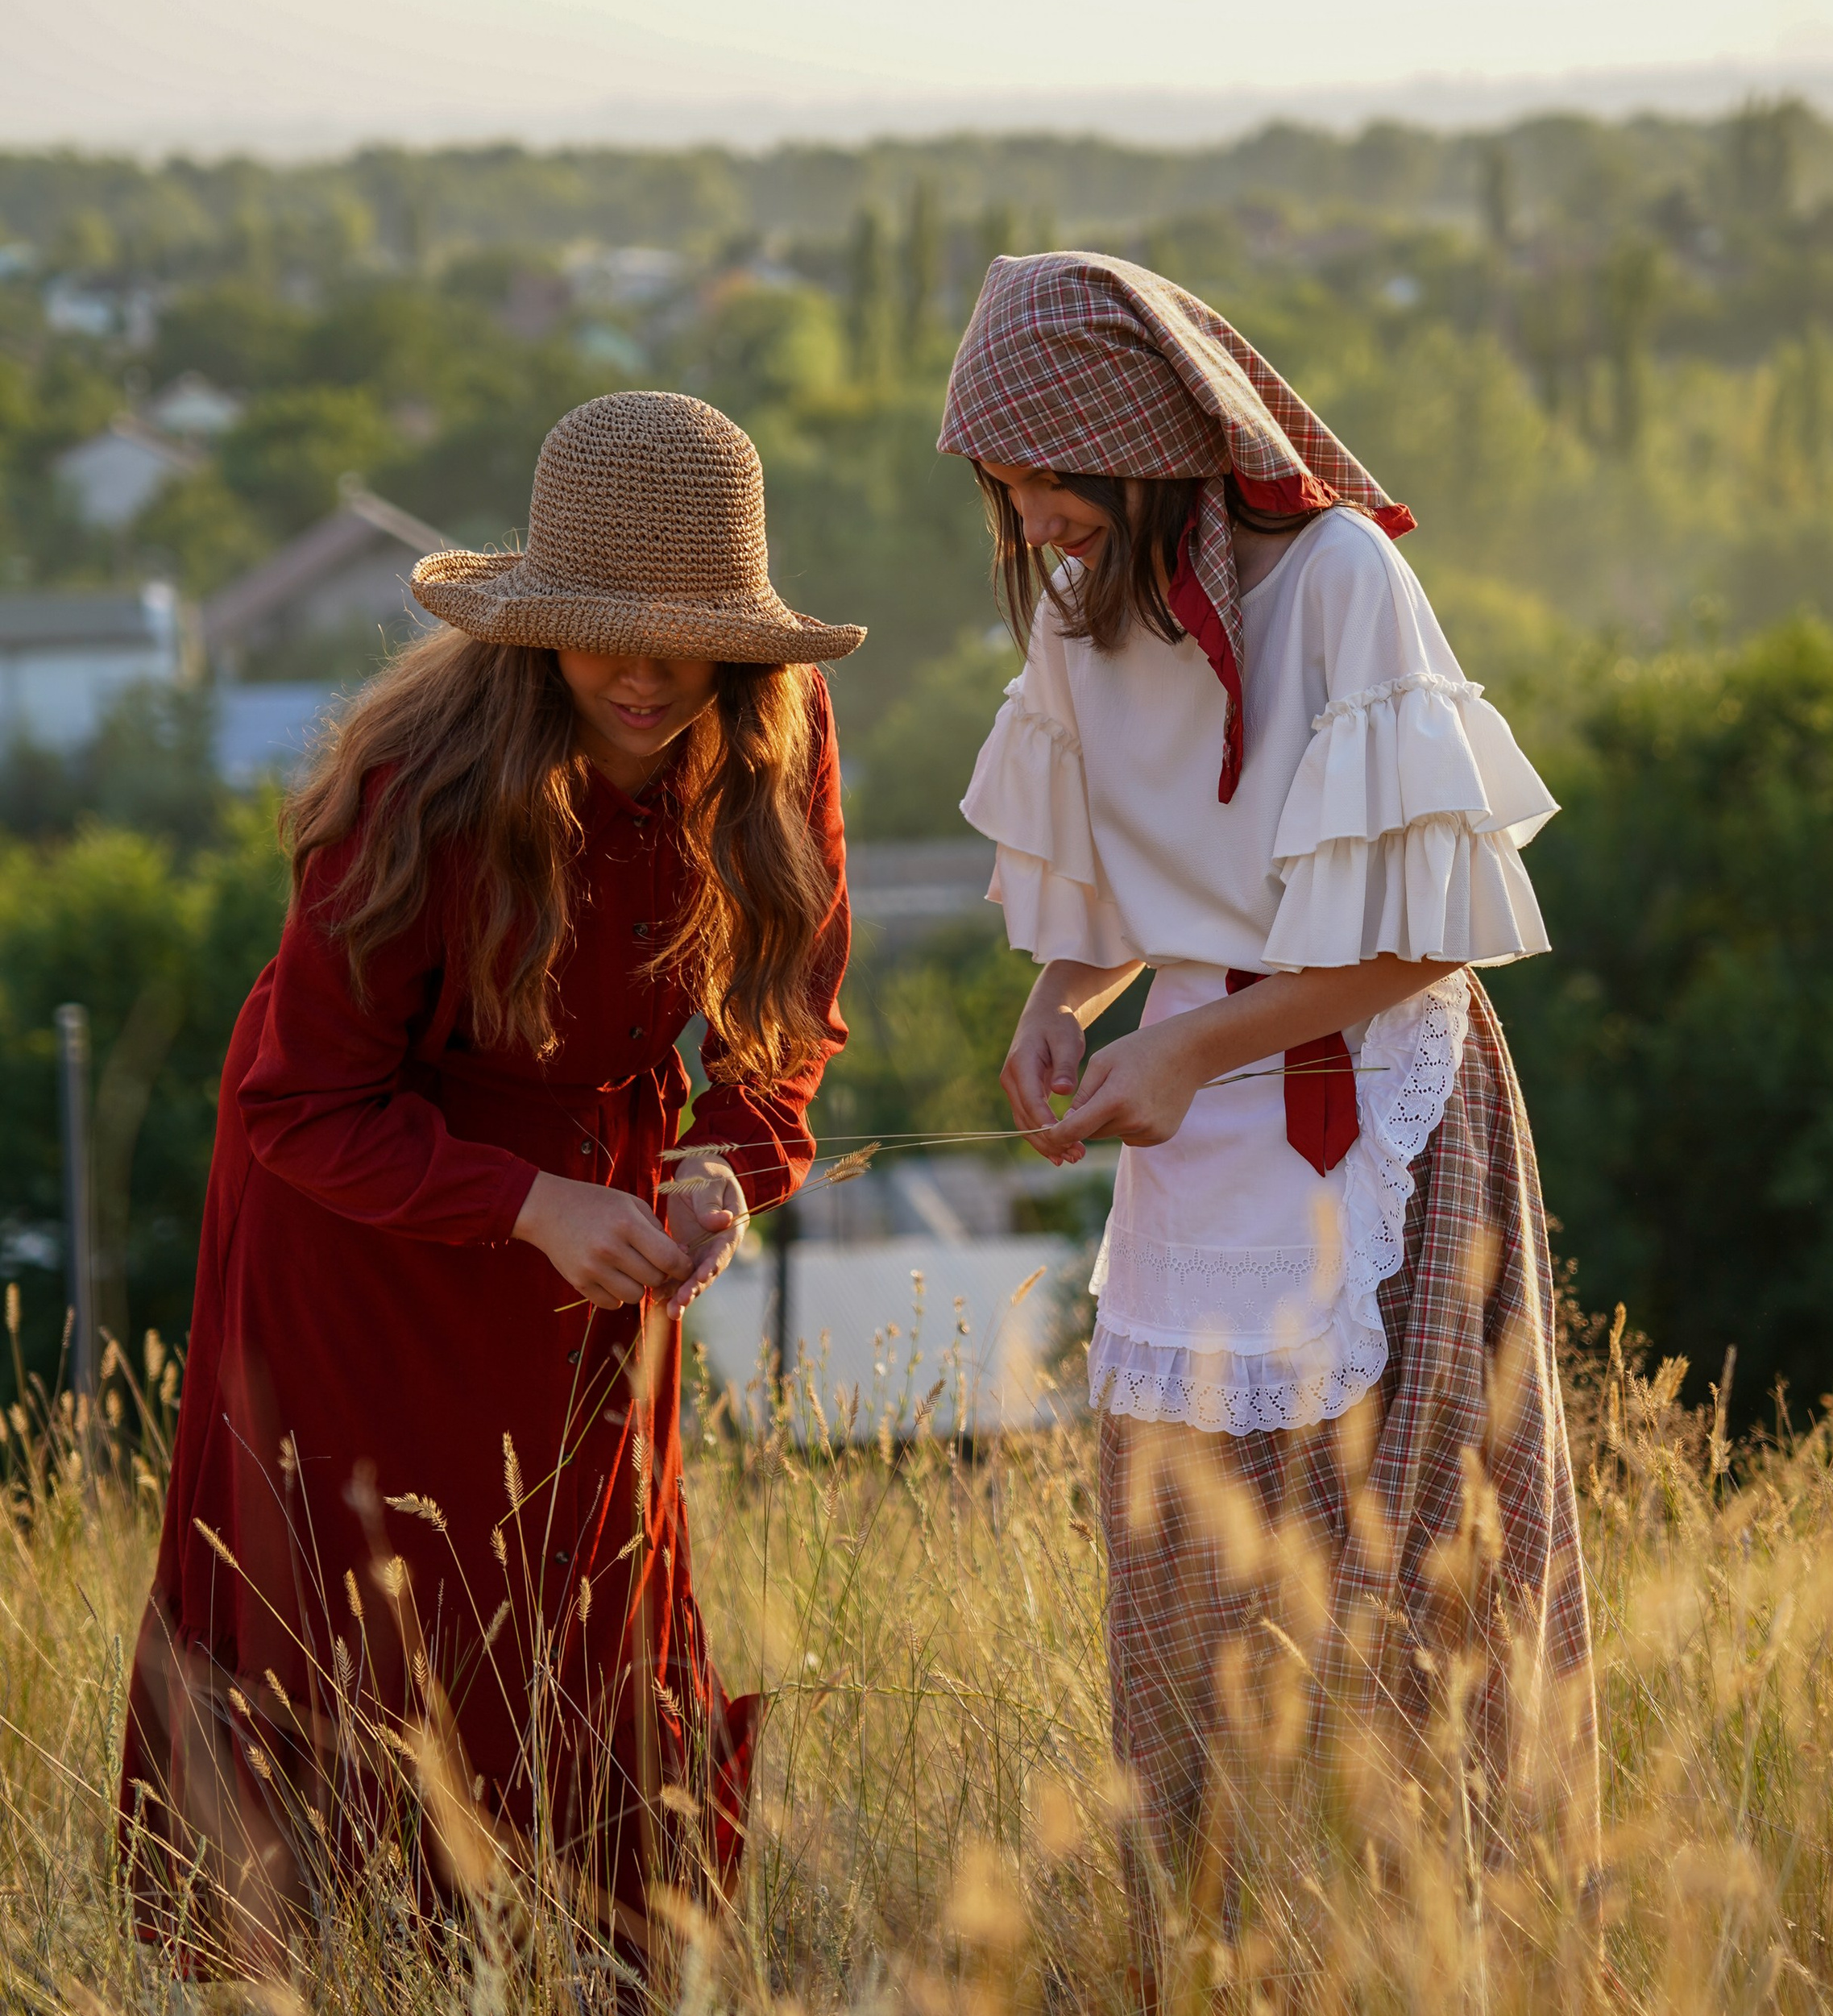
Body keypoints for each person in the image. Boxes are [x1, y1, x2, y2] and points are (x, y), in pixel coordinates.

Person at [121, 390, 860, 1971]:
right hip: (359, 1227)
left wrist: (724, 1165)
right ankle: (350, 1968)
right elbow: (300, 1097)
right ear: (537, 629)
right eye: (609, 634)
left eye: (689, 638)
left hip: (599, 1200)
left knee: (590, 1612)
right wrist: (529, 1204)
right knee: (363, 1619)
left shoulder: (775, 738)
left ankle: (612, 1964)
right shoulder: (421, 782)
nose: (651, 675)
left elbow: (786, 1015)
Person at [943, 254, 1598, 1982]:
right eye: (1002, 488)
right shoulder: (1082, 600)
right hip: (1193, 1125)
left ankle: (1428, 1948)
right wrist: (1056, 1004)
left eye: (1052, 477)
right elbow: (1106, 875)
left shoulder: (1339, 582)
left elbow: (1426, 931)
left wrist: (1199, 1042)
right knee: (1190, 1578)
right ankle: (1211, 1933)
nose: (1033, 518)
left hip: (1369, 1101)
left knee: (1410, 1580)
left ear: (1149, 443)